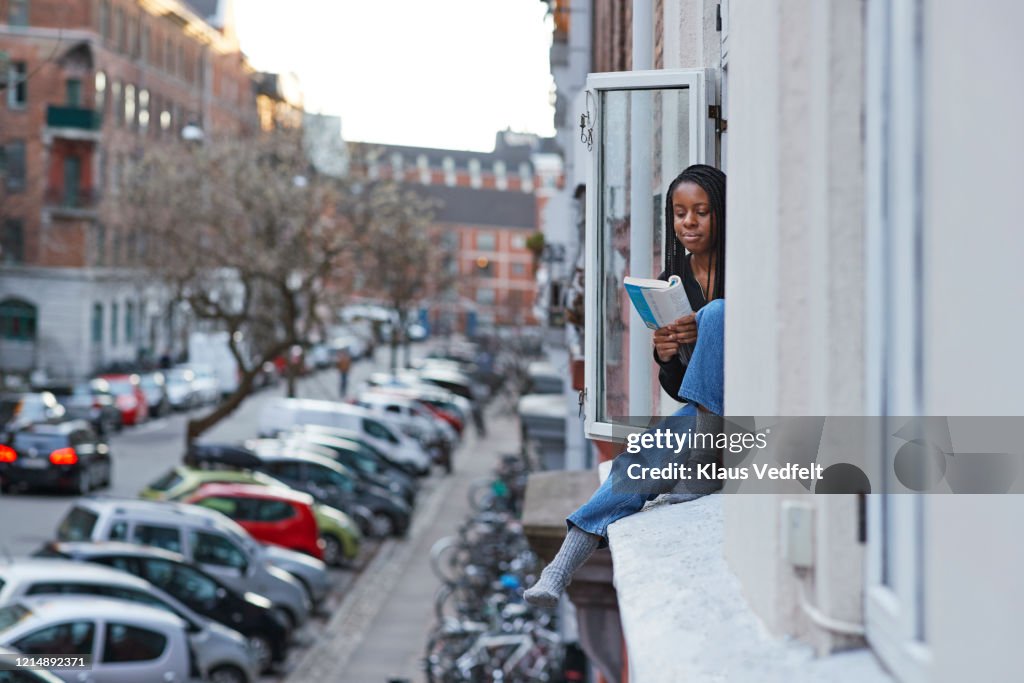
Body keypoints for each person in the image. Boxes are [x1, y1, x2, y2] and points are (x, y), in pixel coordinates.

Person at [524, 164, 727, 608]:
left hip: (744, 403)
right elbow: (678, 385)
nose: (688, 223)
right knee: (634, 462)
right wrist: (668, 351)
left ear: (721, 215)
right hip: (705, 416)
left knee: (716, 315)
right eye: (678, 213)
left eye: (701, 212)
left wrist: (710, 327)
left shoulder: (741, 267)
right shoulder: (680, 273)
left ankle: (705, 460)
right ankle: (558, 568)